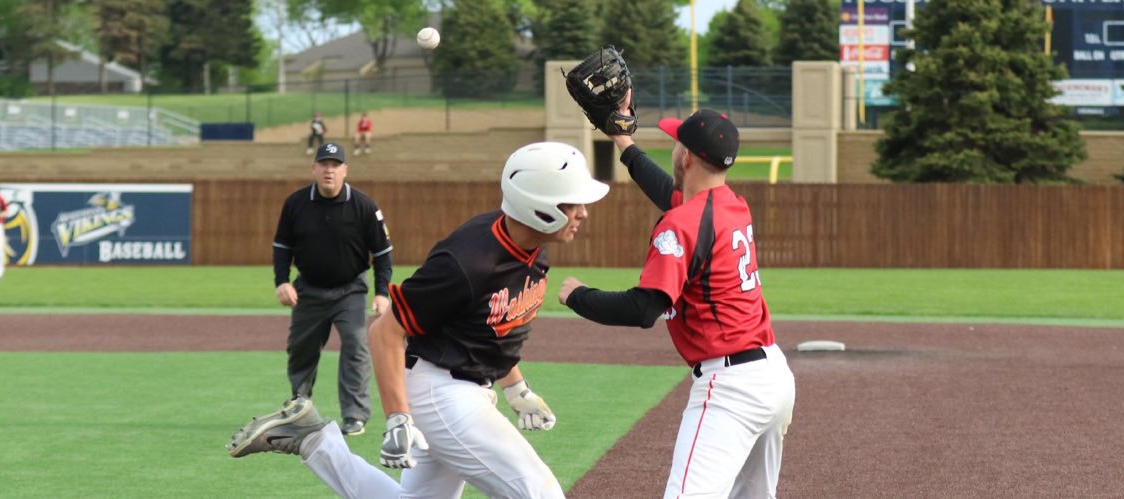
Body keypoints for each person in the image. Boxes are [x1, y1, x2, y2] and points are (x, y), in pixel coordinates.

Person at [228, 141, 609, 499]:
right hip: (443, 394)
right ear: (539, 206)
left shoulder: (531, 247)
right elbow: (385, 332)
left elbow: (493, 331)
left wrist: (517, 390)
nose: (583, 212)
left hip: (463, 386)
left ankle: (315, 441)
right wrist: (398, 417)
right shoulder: (464, 263)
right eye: (573, 202)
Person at [557, 105, 797, 498]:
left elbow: (643, 308)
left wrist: (580, 296)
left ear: (686, 157)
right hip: (773, 376)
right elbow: (667, 192)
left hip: (730, 388)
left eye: (675, 143)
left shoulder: (682, 222)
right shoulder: (733, 204)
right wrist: (623, 141)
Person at [272, 142, 393, 435]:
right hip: (308, 290)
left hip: (349, 290)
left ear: (345, 170)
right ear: (314, 169)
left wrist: (382, 292)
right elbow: (282, 246)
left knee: (355, 344)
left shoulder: (364, 205)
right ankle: (300, 405)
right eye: (324, 164)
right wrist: (282, 281)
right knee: (301, 348)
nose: (329, 170)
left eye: (335, 165)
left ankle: (354, 415)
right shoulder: (296, 203)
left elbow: (382, 253)